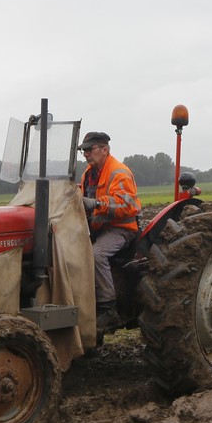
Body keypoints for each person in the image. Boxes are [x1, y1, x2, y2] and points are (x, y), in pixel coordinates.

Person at [77, 131, 140, 334]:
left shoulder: (119, 172)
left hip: (120, 229)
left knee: (97, 255)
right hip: (98, 228)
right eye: (83, 151)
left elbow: (126, 204)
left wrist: (96, 203)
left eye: (90, 149)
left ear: (104, 150)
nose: (86, 154)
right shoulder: (88, 174)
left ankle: (108, 307)